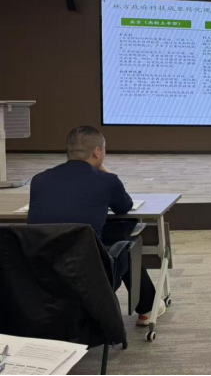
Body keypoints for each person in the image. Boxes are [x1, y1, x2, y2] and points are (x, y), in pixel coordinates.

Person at [28, 126, 164, 327]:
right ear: (97, 152)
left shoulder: (39, 180)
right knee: (125, 246)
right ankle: (147, 309)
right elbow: (125, 206)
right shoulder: (107, 181)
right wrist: (104, 171)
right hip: (89, 272)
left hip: (41, 269)